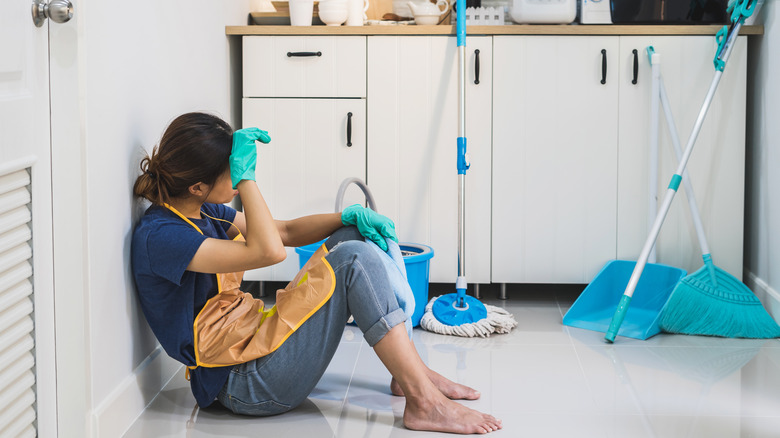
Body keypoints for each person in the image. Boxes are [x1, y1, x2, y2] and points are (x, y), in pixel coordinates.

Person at [131, 112, 502, 434]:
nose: (239, 177)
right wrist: (248, 181)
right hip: (241, 384)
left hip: (252, 345)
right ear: (198, 186)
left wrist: (346, 216)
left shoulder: (203, 209)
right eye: (234, 171)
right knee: (354, 259)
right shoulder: (163, 236)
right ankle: (425, 403)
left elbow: (287, 232)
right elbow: (268, 251)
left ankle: (411, 375)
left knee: (351, 236)